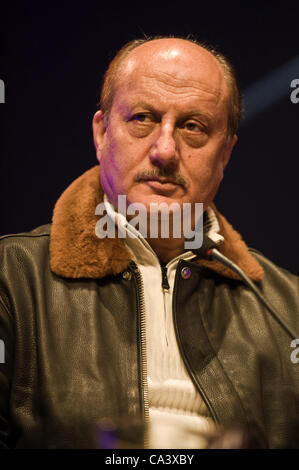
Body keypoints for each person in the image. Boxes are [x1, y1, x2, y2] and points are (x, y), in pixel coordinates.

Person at [0, 36, 298, 449]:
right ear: (102, 134)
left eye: (193, 127)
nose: (164, 150)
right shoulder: (11, 279)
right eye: (142, 118)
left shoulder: (288, 310)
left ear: (226, 154)